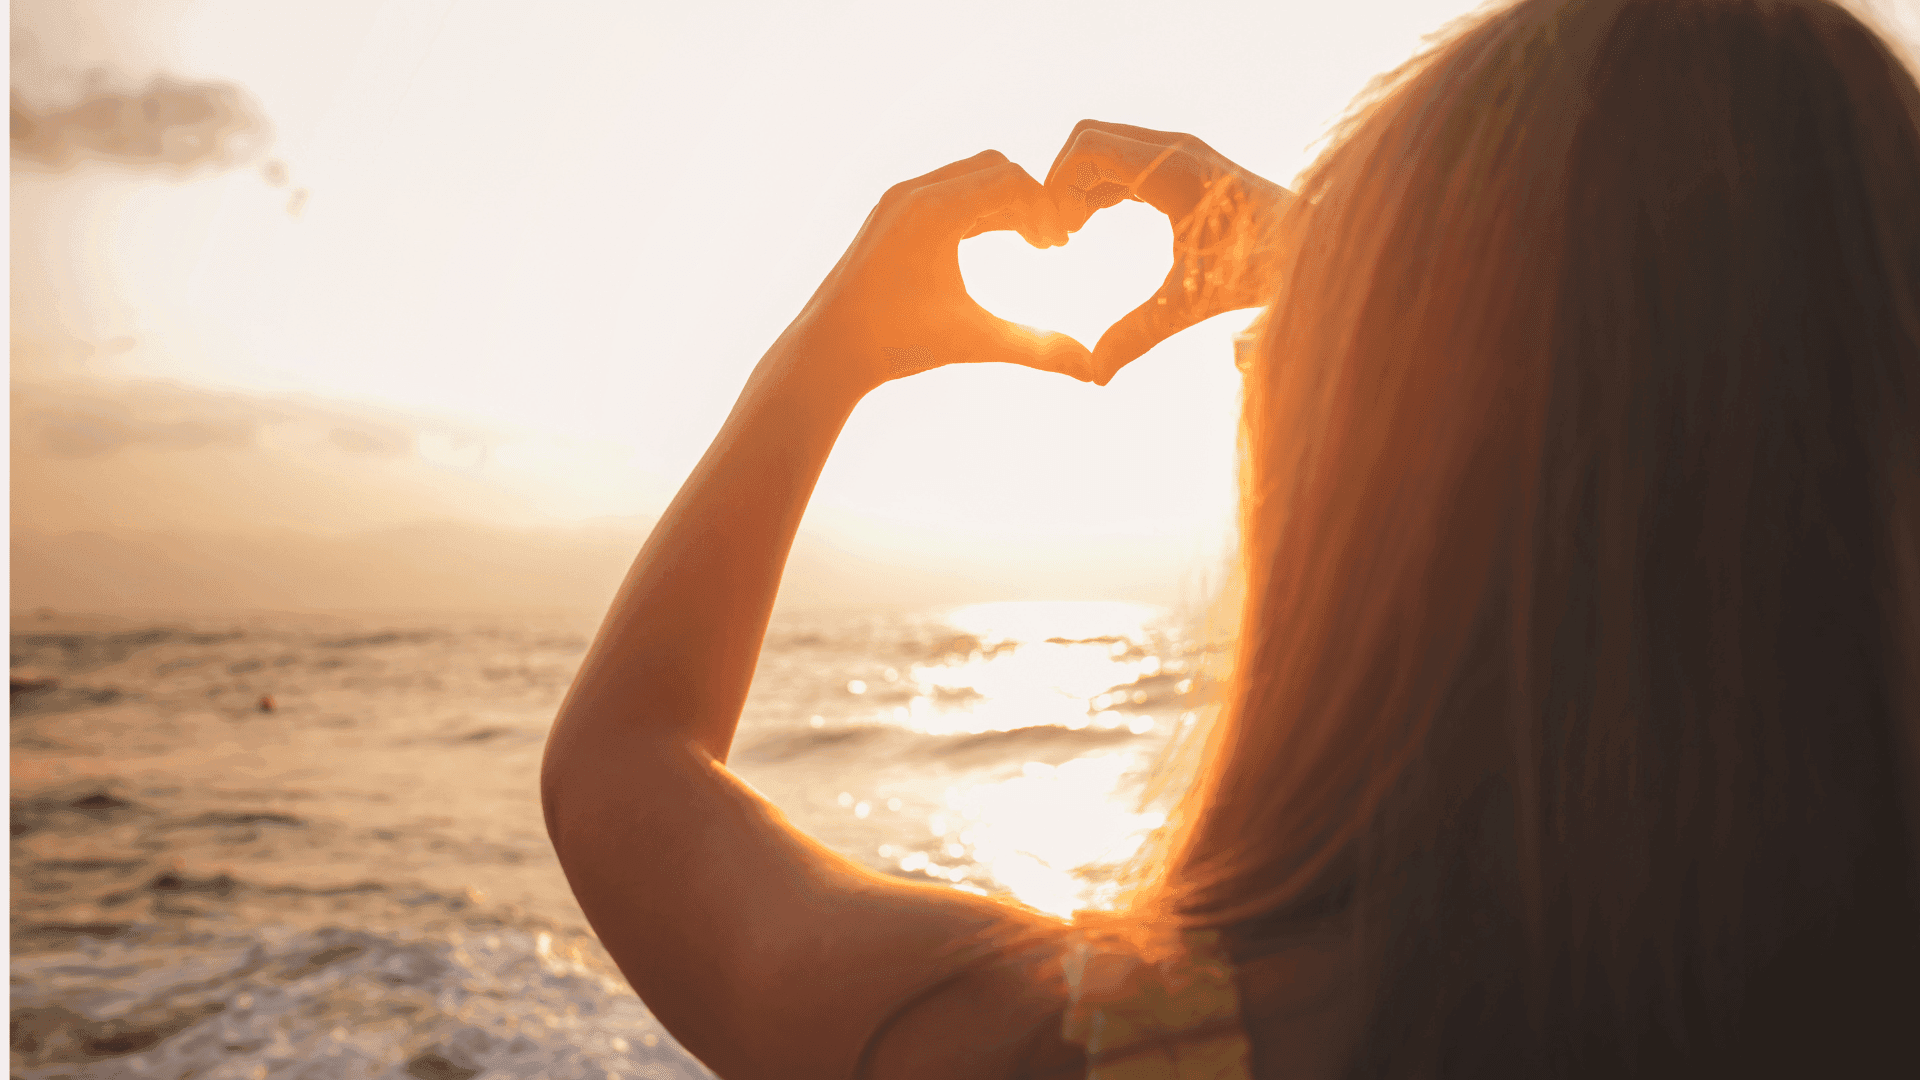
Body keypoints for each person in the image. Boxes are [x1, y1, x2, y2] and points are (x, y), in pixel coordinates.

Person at [540, 0, 1920, 1076]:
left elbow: (627, 772)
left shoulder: (1131, 1052)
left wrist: (827, 350)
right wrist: (1354, 291)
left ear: (1333, 497)